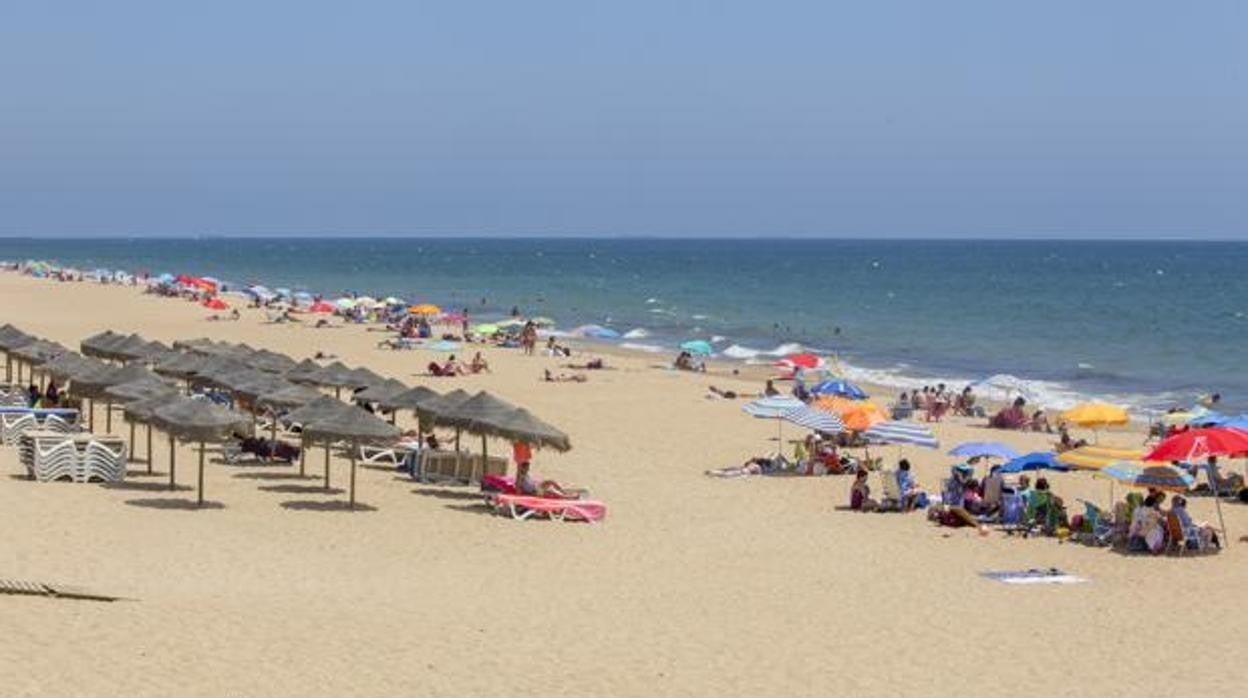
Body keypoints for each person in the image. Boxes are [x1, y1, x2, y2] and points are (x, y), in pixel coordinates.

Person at [515, 460, 581, 499]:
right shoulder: (520, 477)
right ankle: (568, 497)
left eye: (528, 467)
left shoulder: (525, 474)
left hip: (537, 486)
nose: (528, 469)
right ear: (522, 468)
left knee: (551, 481)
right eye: (526, 468)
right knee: (551, 491)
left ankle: (564, 492)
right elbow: (519, 490)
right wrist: (526, 496)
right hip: (534, 492)